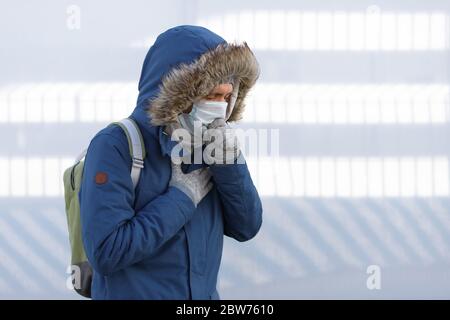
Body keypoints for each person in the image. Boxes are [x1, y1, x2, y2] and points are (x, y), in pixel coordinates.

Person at [79, 25, 262, 299]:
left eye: (226, 97)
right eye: (212, 95)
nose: (221, 107)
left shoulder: (208, 145)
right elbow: (106, 252)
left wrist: (230, 162)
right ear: (180, 93)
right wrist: (181, 199)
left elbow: (246, 226)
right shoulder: (114, 145)